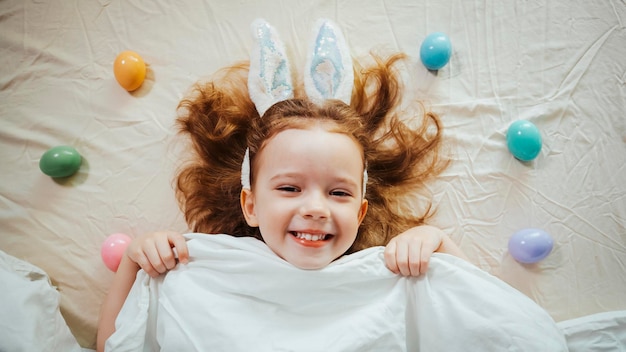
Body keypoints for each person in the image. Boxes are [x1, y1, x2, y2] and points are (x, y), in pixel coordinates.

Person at [96, 19, 468, 352]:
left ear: (361, 211)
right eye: (290, 188)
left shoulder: (389, 277)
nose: (315, 208)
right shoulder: (203, 270)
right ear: (251, 205)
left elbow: (490, 324)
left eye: (338, 193)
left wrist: (437, 244)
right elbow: (114, 344)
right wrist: (135, 261)